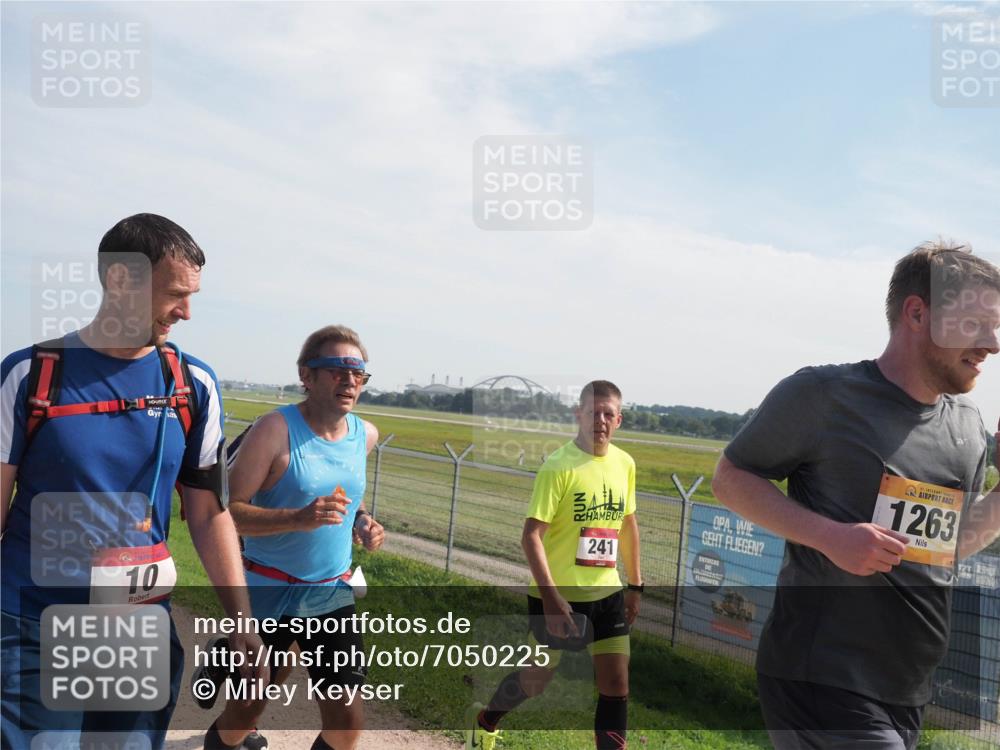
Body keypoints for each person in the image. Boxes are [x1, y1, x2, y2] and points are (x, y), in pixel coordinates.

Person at [711, 242, 1000, 749]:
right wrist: (830, 537)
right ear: (917, 312)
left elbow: (945, 549)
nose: (993, 344)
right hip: (820, 677)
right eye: (977, 323)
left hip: (906, 688)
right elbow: (731, 478)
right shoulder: (822, 395)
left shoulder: (969, 427)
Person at [0, 214, 267, 749]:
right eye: (175, 294)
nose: (186, 312)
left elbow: (208, 512)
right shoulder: (30, 375)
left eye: (192, 296)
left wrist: (243, 621)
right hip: (32, 623)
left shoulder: (195, 386)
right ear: (120, 280)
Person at [202, 325, 385, 750]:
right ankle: (225, 675)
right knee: (246, 710)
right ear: (307, 375)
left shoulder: (366, 435)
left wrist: (362, 522)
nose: (350, 381)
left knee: (347, 721)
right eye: (338, 370)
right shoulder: (274, 430)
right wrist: (297, 518)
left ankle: (225, 659)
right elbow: (226, 516)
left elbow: (346, 497)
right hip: (266, 589)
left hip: (330, 592)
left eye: (359, 373)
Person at [466, 380, 643, 750]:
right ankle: (487, 720)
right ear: (577, 415)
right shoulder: (559, 466)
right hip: (557, 593)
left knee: (616, 682)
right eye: (593, 412)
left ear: (619, 420)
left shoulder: (625, 464)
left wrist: (636, 585)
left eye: (608, 413)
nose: (600, 420)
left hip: (607, 590)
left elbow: (627, 525)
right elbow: (531, 535)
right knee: (536, 680)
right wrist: (550, 597)